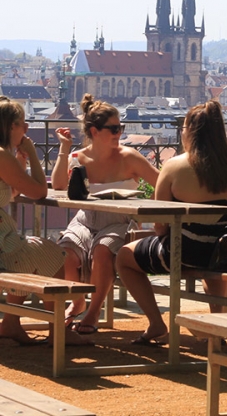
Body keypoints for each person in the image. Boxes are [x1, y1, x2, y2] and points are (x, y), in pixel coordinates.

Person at [115, 101, 227, 345]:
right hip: (225, 253)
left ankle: (156, 324)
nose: (181, 132)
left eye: (183, 128)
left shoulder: (174, 166)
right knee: (213, 267)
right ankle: (217, 330)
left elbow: (160, 227)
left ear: (191, 133)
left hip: (185, 252)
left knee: (124, 256)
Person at [50, 94, 159, 334]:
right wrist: (64, 148)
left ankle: (92, 312)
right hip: (85, 220)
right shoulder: (79, 158)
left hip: (120, 221)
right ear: (94, 131)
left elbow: (161, 184)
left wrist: (147, 206)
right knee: (64, 255)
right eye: (113, 129)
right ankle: (77, 301)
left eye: (120, 127)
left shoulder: (129, 156)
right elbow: (57, 186)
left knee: (102, 252)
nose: (119, 133)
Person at [0, 97, 89, 346]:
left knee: (32, 251)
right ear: (9, 127)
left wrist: (20, 164)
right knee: (52, 254)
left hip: (5, 241)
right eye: (22, 125)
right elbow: (39, 192)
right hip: (2, 244)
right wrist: (32, 153)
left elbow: (12, 191)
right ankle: (57, 331)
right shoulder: (1, 156)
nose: (26, 130)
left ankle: (11, 323)